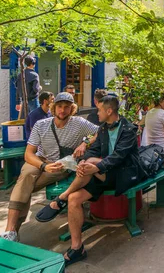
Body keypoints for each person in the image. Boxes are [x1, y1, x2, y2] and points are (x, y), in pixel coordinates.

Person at [35, 96, 142, 266]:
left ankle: (61, 197)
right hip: (103, 174)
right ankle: (77, 248)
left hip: (124, 173)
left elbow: (118, 157)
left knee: (91, 163)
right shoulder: (103, 128)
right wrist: (83, 161)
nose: (96, 113)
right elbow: (96, 149)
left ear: (109, 111)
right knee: (74, 199)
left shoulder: (128, 129)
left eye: (99, 110)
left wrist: (94, 166)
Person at [0, 92, 98, 242]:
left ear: (72, 109)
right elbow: (28, 154)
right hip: (39, 160)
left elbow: (99, 131)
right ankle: (10, 230)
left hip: (62, 164)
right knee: (26, 177)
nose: (62, 110)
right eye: (59, 106)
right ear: (53, 107)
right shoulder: (41, 124)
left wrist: (85, 143)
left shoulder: (79, 123)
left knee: (24, 185)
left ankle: (12, 232)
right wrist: (44, 166)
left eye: (66, 107)